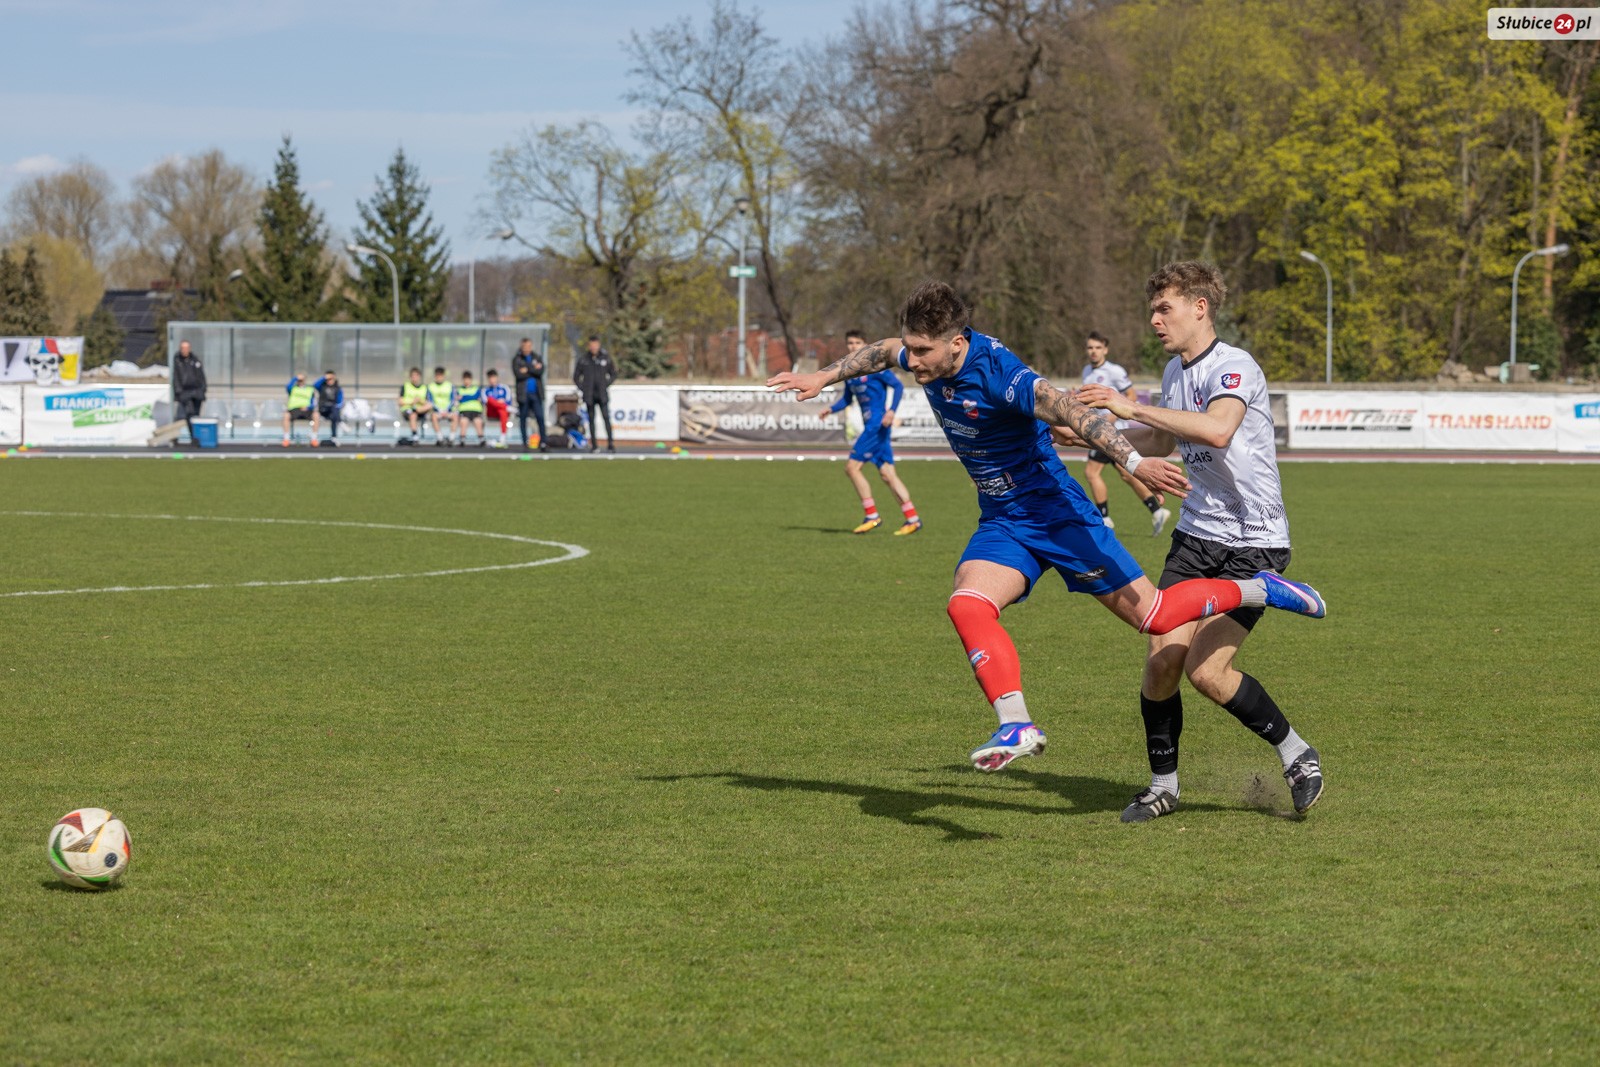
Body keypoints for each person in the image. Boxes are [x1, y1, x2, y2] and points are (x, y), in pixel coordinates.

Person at [768, 280, 1326, 777]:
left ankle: (1261, 589)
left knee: (1153, 616)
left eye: (922, 352)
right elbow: (881, 351)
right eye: (910, 348)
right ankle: (1017, 724)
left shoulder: (1002, 375)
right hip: (1004, 519)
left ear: (957, 343)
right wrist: (824, 374)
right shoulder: (923, 352)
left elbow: (1068, 410)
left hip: (1056, 513)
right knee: (966, 603)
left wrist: (1132, 463)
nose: (911, 362)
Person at [1078, 261, 1326, 820]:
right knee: (1163, 659)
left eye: (1164, 308)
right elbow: (1158, 436)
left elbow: (1217, 429)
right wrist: (1083, 429)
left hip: (1255, 542)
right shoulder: (1172, 373)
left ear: (1200, 307)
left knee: (1207, 674)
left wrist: (1128, 406)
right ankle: (1163, 785)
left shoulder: (1235, 366)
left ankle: (1297, 753)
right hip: (1197, 534)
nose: (1154, 319)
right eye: (1152, 310)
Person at [822, 329, 921, 535]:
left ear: (865, 346)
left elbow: (899, 386)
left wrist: (891, 411)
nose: (853, 347)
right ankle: (912, 518)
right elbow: (848, 400)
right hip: (874, 427)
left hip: (876, 426)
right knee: (887, 474)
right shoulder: (850, 375)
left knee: (851, 468)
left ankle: (871, 515)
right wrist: (831, 409)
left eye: (857, 343)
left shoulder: (876, 368)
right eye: (850, 343)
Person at [1077, 331, 1170, 536]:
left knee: (1091, 473)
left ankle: (1104, 519)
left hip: (1111, 432)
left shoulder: (1114, 371)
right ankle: (1156, 511)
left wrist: (1110, 418)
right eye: (1090, 347)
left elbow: (1131, 395)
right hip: (1099, 429)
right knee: (1127, 475)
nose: (1093, 351)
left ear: (1106, 350)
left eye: (1098, 347)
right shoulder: (1086, 371)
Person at [573, 335, 617, 453]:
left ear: (599, 345)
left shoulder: (605, 358)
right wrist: (583, 388)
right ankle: (594, 445)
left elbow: (613, 373)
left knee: (606, 418)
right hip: (589, 395)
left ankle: (610, 444)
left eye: (596, 345)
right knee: (591, 420)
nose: (594, 347)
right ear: (589, 346)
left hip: (602, 394)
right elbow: (576, 377)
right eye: (592, 345)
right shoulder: (584, 359)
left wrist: (605, 384)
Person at [511, 338, 547, 451]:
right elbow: (518, 374)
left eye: (529, 346)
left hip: (536, 394)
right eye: (525, 346)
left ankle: (543, 443)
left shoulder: (536, 357)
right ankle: (525, 443)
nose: (527, 348)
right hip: (523, 394)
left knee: (540, 417)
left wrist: (526, 369)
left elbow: (540, 372)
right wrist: (532, 370)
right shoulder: (517, 359)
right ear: (522, 347)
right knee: (523, 418)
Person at [172, 340, 207, 445]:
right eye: (183, 348)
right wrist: (179, 392)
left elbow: (201, 377)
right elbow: (176, 378)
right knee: (181, 416)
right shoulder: (177, 361)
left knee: (194, 416)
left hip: (196, 393)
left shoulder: (195, 360)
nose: (185, 350)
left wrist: (202, 389)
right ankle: (175, 438)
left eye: (186, 348)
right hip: (184, 393)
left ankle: (195, 438)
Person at [398, 367, 433, 445]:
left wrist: (420, 401)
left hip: (421, 410)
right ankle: (415, 436)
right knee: (413, 414)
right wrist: (412, 402)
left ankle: (440, 438)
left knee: (430, 406)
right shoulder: (406, 386)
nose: (414, 378)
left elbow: (428, 402)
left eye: (416, 376)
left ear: (419, 376)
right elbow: (400, 401)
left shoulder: (424, 388)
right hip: (408, 410)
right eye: (413, 376)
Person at [281, 373, 318, 446]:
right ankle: (286, 439)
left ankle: (314, 439)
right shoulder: (292, 388)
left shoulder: (310, 389)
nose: (300, 381)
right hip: (294, 409)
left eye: (302, 380)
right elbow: (288, 386)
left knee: (316, 415)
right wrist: (295, 378)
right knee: (286, 415)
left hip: (306, 409)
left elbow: (313, 402)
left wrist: (309, 407)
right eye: (299, 380)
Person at [455, 370, 488, 447]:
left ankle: (481, 439)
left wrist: (464, 397)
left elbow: (476, 396)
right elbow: (460, 399)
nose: (466, 381)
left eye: (468, 379)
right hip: (464, 411)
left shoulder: (476, 389)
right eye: (465, 379)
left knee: (478, 422)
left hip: (475, 411)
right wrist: (471, 397)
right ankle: (462, 440)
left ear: (471, 380)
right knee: (463, 422)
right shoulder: (460, 390)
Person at [312, 369, 343, 448]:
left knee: (334, 414)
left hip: (332, 411)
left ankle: (334, 437)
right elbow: (315, 385)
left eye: (331, 378)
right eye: (328, 379)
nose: (329, 380)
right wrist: (324, 378)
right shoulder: (322, 387)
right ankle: (340, 422)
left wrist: (337, 406)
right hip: (323, 409)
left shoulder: (338, 388)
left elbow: (340, 402)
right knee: (333, 410)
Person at [426, 366, 456, 446]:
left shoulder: (450, 385)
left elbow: (453, 399)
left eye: (440, 375)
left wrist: (446, 410)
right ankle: (440, 438)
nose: (439, 377)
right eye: (437, 375)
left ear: (443, 376)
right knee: (434, 417)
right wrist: (439, 410)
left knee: (455, 416)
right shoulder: (430, 386)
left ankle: (451, 439)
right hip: (437, 411)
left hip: (448, 410)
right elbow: (430, 401)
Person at [483, 368, 512, 448]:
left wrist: (502, 403)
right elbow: (486, 402)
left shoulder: (505, 388)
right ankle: (510, 409)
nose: (492, 380)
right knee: (490, 400)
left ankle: (502, 438)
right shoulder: (485, 390)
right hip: (491, 411)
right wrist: (498, 402)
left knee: (502, 411)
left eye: (493, 377)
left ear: (497, 377)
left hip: (502, 412)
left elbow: (508, 400)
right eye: (490, 378)